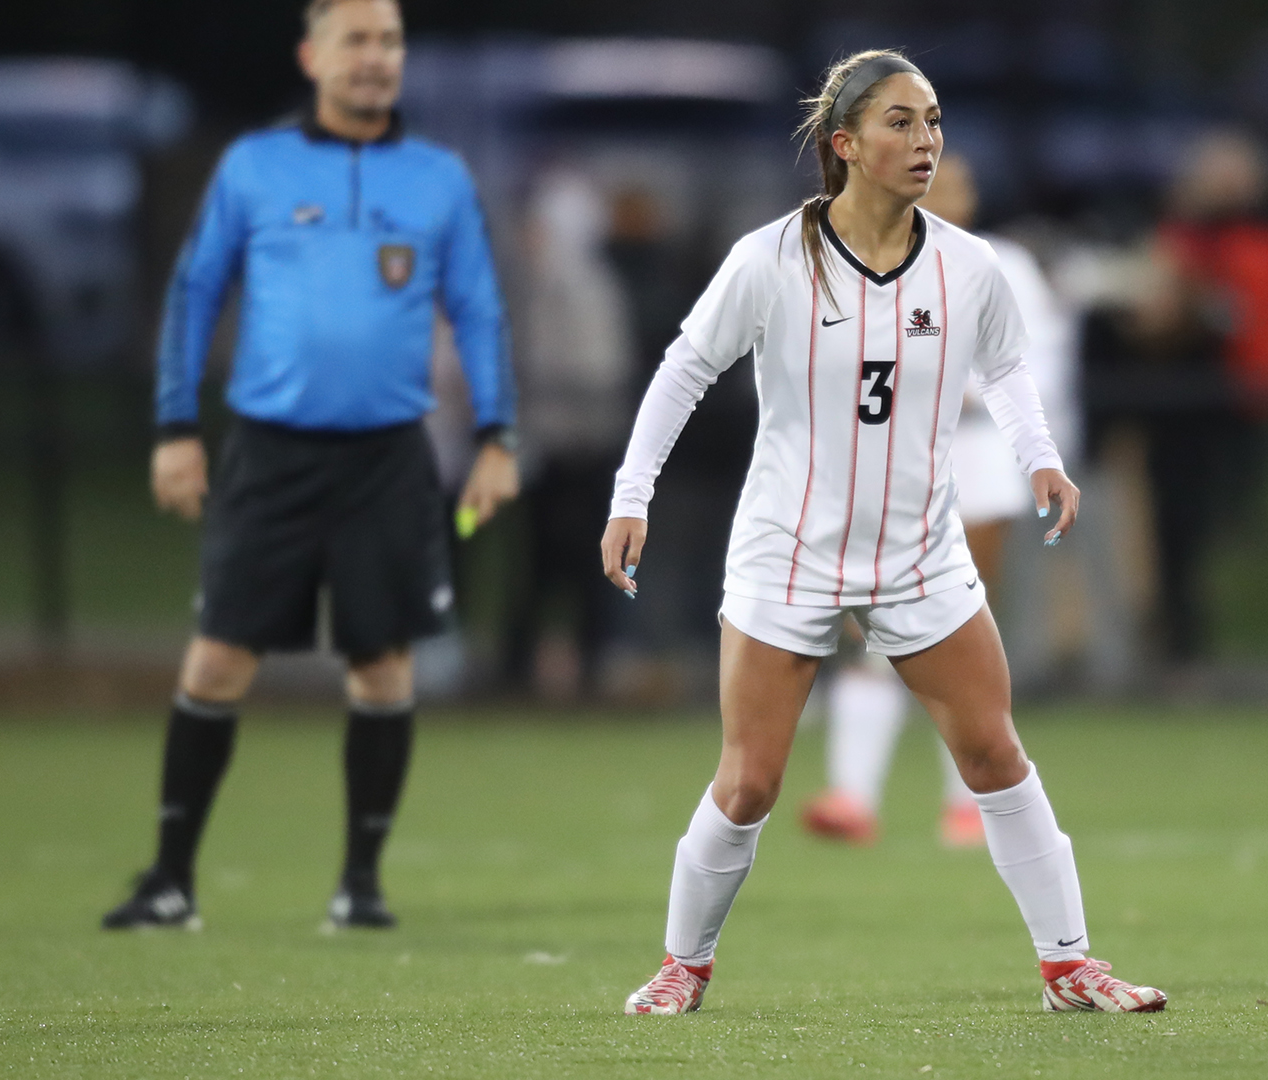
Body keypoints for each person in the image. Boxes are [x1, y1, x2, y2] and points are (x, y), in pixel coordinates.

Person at [600, 51, 1165, 1016]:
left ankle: (1070, 966)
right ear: (845, 145)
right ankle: (680, 968)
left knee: (994, 754)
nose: (926, 140)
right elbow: (683, 370)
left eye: (934, 121)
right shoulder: (770, 258)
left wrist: (1040, 456)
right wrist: (631, 493)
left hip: (918, 552)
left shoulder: (967, 263)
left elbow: (1009, 369)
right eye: (900, 123)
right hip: (788, 550)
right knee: (748, 785)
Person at [101, 0, 519, 931]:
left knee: (383, 670)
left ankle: (359, 888)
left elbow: (479, 310)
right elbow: (195, 290)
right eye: (356, 41)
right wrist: (175, 427)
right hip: (271, 454)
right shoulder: (257, 167)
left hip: (386, 460)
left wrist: (498, 437)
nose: (375, 59)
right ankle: (171, 881)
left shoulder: (438, 178)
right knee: (216, 663)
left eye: (389, 42)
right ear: (312, 55)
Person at [797, 152, 1077, 849]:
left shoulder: (1003, 265)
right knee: (871, 627)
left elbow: (1032, 365)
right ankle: (852, 796)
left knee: (956, 627)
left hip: (976, 460)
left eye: (957, 182)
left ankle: (968, 801)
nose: (945, 193)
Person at [1132, 130, 1268, 662]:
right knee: (1184, 528)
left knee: (1190, 525)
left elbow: (1172, 319)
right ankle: (1182, 638)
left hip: (1220, 402)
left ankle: (1187, 640)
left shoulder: (1231, 247)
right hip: (1202, 407)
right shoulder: (1206, 243)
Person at [497, 167, 635, 697]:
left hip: (579, 450)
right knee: (535, 566)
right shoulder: (543, 286)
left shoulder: (583, 288)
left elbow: (601, 373)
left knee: (581, 566)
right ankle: (521, 668)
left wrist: (539, 392)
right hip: (550, 447)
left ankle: (588, 668)